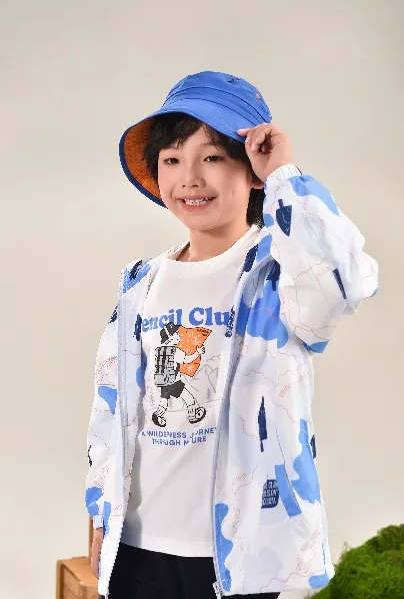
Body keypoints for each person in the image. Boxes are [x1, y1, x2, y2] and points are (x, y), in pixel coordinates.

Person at [85, 71, 378, 598]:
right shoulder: (140, 284)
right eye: (172, 160)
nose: (190, 177)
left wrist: (284, 173)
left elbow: (345, 279)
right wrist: (100, 515)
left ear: (252, 170)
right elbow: (111, 412)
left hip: (246, 554)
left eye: (213, 157)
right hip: (139, 548)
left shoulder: (281, 270)